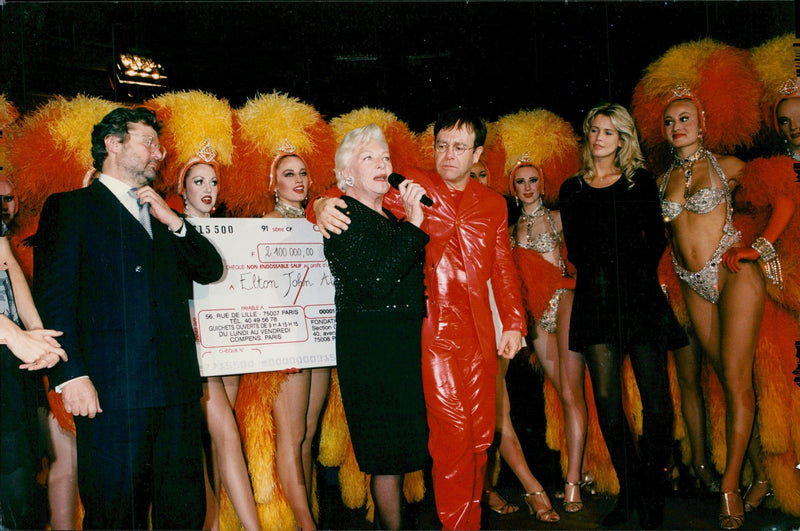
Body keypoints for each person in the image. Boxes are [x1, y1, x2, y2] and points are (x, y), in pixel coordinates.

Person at [313, 107, 526, 530]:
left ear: (477, 154)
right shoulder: (412, 184)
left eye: (460, 147)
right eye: (442, 145)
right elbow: (351, 195)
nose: (448, 156)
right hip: (429, 335)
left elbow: (503, 268)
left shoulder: (494, 204)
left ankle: (470, 519)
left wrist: (515, 322)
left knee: (481, 436)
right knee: (450, 440)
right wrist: (319, 205)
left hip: (479, 337)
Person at [632, 39, 799, 529]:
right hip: (690, 281)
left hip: (733, 276)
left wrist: (759, 247)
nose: (676, 127)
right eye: (669, 121)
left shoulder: (728, 168)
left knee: (734, 376)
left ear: (704, 123)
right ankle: (748, 471)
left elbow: (783, 196)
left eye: (685, 118)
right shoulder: (661, 181)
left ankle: (730, 488)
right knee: (723, 385)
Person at [32, 107, 224, 529]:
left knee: (185, 512)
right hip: (111, 395)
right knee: (116, 515)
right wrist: (71, 375)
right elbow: (55, 301)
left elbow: (211, 269)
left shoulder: (163, 214)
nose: (160, 152)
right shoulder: (71, 208)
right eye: (148, 142)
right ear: (113, 144)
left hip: (175, 391)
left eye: (159, 144)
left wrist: (175, 222)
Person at [559, 103, 686, 529]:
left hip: (639, 299)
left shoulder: (641, 182)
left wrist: (625, 272)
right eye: (594, 130)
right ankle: (632, 492)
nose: (598, 138)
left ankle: (648, 492)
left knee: (657, 404)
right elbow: (575, 250)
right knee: (608, 404)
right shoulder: (572, 189)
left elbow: (656, 242)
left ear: (623, 140)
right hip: (595, 301)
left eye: (609, 132)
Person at [323, 124, 429, 529]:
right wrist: (416, 225)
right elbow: (375, 281)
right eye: (369, 157)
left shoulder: (385, 215)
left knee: (399, 452)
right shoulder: (342, 214)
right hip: (371, 350)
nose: (383, 164)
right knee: (386, 456)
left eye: (385, 157)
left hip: (398, 345)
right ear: (346, 173)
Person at [177, 148, 261, 531]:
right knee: (223, 436)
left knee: (217, 441)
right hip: (194, 350)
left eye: (213, 181)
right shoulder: (172, 230)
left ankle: (218, 523)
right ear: (182, 190)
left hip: (230, 344)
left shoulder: (235, 229)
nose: (207, 189)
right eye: (198, 182)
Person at [264, 149, 330, 531]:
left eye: (303, 172)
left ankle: (304, 514)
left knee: (307, 434)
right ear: (274, 183)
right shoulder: (266, 223)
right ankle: (304, 523)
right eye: (289, 174)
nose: (299, 180)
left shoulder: (318, 220)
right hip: (287, 339)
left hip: (318, 338)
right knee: (291, 436)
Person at [0, 218, 68, 529]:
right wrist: (14, 335)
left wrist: (36, 331)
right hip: (9, 340)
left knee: (19, 483)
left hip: (7, 357)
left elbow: (8, 265)